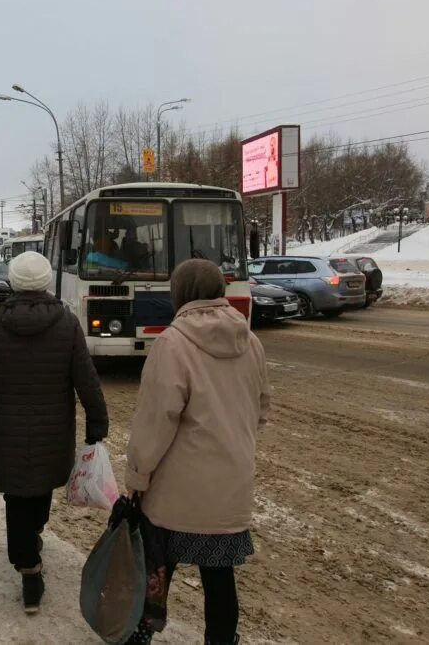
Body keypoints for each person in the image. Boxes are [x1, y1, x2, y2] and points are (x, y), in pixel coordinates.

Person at [125, 259, 270, 645]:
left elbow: (156, 421)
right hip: (231, 481)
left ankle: (140, 633)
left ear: (180, 294)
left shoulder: (173, 343)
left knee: (159, 566)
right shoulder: (250, 340)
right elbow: (261, 408)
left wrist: (138, 476)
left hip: (176, 488)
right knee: (219, 575)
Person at [0, 251, 108, 615]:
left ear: (13, 282)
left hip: (8, 429)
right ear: (46, 282)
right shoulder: (67, 322)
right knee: (40, 487)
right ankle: (32, 550)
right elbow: (86, 380)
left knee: (16, 496)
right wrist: (97, 425)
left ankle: (28, 566)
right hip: (54, 429)